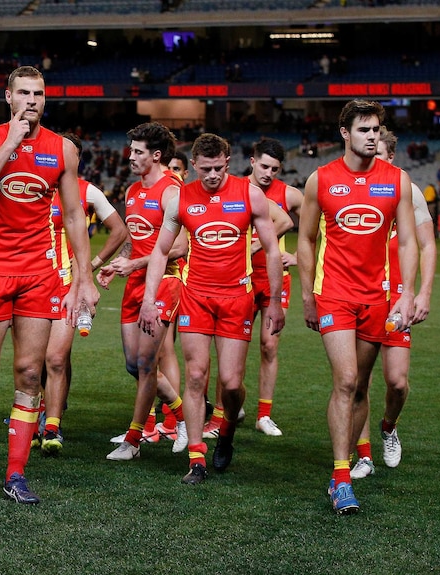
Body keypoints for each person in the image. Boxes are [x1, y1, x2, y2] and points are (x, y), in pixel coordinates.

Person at [0, 65, 100, 503]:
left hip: (39, 274)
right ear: (9, 97)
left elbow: (75, 215)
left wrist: (85, 276)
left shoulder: (63, 149)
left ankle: (15, 474)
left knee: (29, 373)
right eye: (24, 93)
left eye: (38, 93)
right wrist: (12, 144)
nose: (32, 100)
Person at [138, 132, 288, 485]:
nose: (212, 176)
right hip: (197, 298)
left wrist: (277, 302)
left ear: (229, 163)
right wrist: (149, 299)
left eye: (218, 168)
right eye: (205, 169)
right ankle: (196, 459)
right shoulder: (180, 199)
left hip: (237, 299)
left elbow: (271, 249)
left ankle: (228, 433)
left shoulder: (249, 194)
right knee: (195, 376)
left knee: (232, 384)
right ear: (193, 165)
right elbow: (161, 251)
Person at [296, 100, 417, 514]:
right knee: (345, 380)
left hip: (376, 298)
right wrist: (308, 296)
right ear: (344, 133)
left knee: (362, 385)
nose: (372, 136)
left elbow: (406, 241)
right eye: (364, 129)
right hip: (334, 295)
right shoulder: (321, 179)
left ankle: (350, 461)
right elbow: (307, 238)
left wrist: (407, 292)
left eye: (377, 129)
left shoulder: (397, 180)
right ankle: (341, 477)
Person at [98, 122, 190, 462]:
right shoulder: (133, 191)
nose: (130, 156)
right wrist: (118, 264)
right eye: (131, 150)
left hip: (164, 282)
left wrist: (134, 265)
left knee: (146, 364)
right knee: (132, 365)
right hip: (136, 283)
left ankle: (134, 441)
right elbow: (135, 241)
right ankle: (183, 417)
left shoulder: (171, 191)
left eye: (138, 152)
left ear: (155, 155)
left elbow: (178, 247)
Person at [350, 126, 435, 479]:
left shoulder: (408, 191)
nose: (374, 161)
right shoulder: (355, 195)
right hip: (361, 296)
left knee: (397, 382)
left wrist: (422, 292)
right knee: (358, 381)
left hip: (397, 299)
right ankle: (364, 455)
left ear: (391, 157)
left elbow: (428, 245)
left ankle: (389, 427)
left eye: (380, 155)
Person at [40, 132, 128, 455]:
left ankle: (52, 425)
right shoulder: (38, 185)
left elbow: (120, 230)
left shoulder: (86, 190)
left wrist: (90, 265)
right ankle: (41, 412)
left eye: (71, 153)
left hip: (69, 282)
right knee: (36, 361)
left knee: (55, 357)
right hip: (34, 281)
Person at [246, 138, 304, 436]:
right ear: (252, 161)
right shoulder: (236, 189)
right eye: (264, 166)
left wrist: (299, 256)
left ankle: (264, 414)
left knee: (269, 346)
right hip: (240, 279)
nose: (269, 173)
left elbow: (321, 223)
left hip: (274, 280)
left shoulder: (289, 195)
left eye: (275, 169)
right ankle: (225, 410)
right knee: (235, 348)